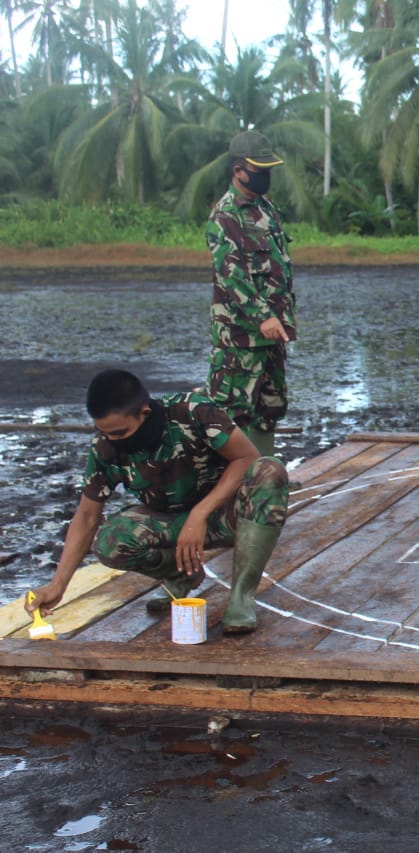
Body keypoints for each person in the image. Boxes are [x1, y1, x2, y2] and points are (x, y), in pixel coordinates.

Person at [25, 370, 289, 635]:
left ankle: (241, 597)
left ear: (145, 412)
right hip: (170, 524)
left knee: (270, 470)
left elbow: (246, 458)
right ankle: (180, 575)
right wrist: (58, 585)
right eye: (104, 432)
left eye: (119, 432)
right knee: (110, 541)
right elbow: (86, 516)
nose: (113, 440)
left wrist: (199, 514)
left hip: (225, 516)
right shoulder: (105, 447)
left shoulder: (192, 411)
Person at [206, 129, 296, 458]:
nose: (265, 177)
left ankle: (265, 474)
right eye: (259, 171)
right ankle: (233, 479)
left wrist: (280, 319)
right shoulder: (225, 215)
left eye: (268, 171)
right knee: (232, 409)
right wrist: (262, 317)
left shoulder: (266, 209)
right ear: (238, 171)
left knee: (271, 405)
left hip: (274, 332)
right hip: (240, 336)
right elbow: (233, 276)